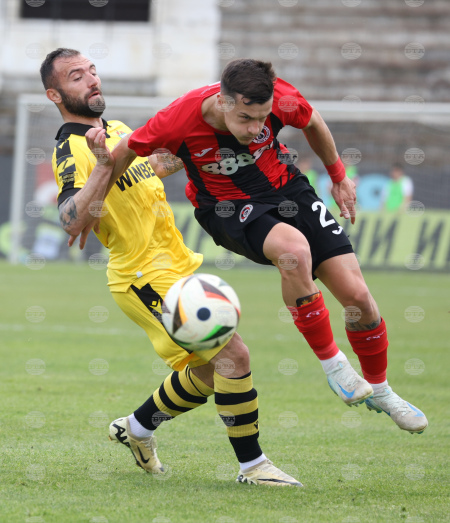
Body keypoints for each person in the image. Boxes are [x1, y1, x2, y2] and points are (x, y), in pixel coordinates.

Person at [106, 59, 428, 435]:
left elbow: (313, 121)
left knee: (359, 298)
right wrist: (88, 203)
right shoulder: (178, 117)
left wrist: (339, 177)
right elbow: (124, 152)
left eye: (261, 118)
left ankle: (381, 390)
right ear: (223, 101)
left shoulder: (283, 98)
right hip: (225, 206)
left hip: (288, 189)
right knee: (294, 251)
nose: (254, 128)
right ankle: (335, 366)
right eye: (245, 118)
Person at [42, 48, 302, 487]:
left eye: (92, 70)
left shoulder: (118, 130)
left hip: (178, 264)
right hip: (142, 275)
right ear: (55, 94)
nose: (91, 79)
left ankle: (136, 427)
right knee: (233, 355)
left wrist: (198, 139)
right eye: (76, 76)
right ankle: (254, 467)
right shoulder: (71, 147)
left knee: (209, 372)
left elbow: (154, 167)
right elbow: (70, 217)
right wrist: (102, 168)